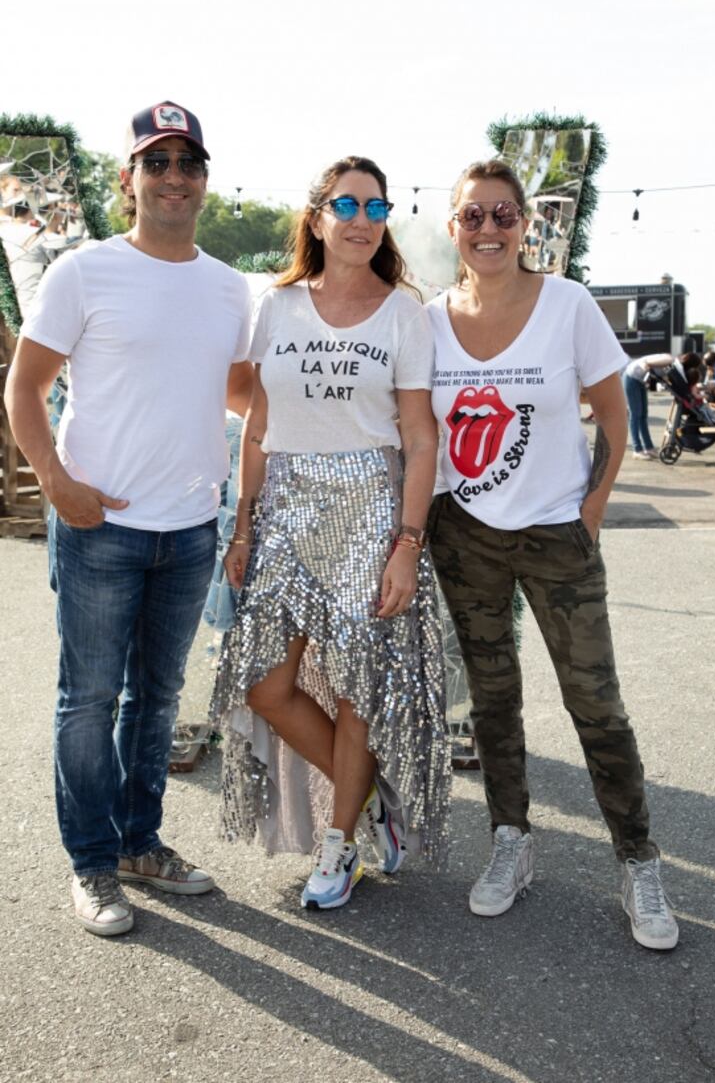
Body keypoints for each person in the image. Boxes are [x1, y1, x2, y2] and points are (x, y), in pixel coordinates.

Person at [4, 101, 254, 937]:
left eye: (188, 163)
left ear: (204, 182)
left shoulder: (228, 287)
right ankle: (92, 861)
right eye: (157, 163)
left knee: (155, 698)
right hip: (99, 525)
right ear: (129, 180)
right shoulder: (85, 272)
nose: (174, 178)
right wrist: (57, 482)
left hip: (188, 529)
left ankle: (141, 842)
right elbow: (24, 388)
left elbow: (238, 394)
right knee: (89, 699)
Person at [425, 159, 678, 951]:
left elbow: (610, 411)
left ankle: (637, 858)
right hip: (464, 531)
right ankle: (510, 839)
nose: (489, 229)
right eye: (473, 217)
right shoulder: (429, 318)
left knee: (594, 701)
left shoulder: (565, 305)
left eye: (503, 215)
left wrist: (591, 507)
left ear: (525, 224)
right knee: (493, 700)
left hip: (554, 530)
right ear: (452, 227)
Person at [210, 156, 450, 911]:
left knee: (357, 689)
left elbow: (419, 437)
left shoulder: (403, 310)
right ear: (315, 218)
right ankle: (372, 794)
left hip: (368, 508)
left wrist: (406, 543)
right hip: (285, 505)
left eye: (375, 208)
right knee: (265, 684)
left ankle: (339, 842)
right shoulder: (278, 306)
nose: (359, 219)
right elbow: (258, 424)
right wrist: (244, 524)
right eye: (344, 204)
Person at [622, 351, 702, 458]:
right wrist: (648, 372)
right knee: (636, 415)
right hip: (632, 377)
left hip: (638, 380)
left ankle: (648, 447)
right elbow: (646, 362)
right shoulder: (669, 360)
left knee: (643, 415)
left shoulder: (674, 366)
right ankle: (637, 449)